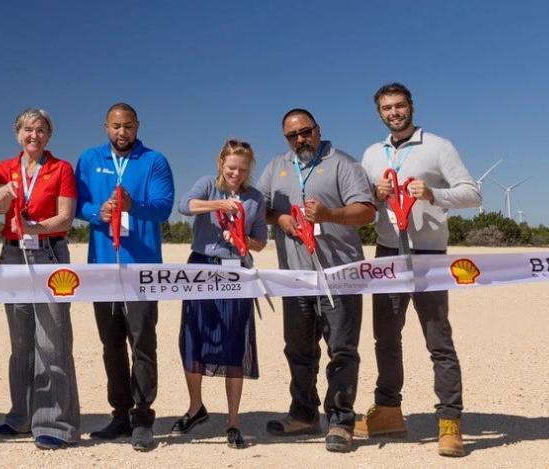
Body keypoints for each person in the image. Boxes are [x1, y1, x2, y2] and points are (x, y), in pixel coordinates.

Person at [355, 83, 480, 458]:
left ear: (411, 107)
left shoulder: (438, 146)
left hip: (429, 254)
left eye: (400, 106)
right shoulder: (372, 153)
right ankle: (389, 410)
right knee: (386, 338)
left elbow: (472, 193)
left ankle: (449, 422)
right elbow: (361, 204)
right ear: (379, 114)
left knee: (438, 340)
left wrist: (433, 195)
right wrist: (374, 197)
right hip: (387, 253)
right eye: (387, 108)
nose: (394, 112)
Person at [256, 108, 375, 454]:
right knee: (298, 349)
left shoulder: (343, 164)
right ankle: (303, 413)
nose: (299, 140)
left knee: (340, 349)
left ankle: (340, 420)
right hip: (295, 278)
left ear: (318, 129)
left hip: (340, 276)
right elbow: (258, 207)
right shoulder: (277, 166)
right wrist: (279, 219)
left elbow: (366, 211)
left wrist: (328, 215)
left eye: (305, 132)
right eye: (292, 136)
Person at [74, 102, 175, 452]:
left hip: (141, 269)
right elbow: (76, 204)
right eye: (116, 126)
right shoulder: (89, 159)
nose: (122, 132)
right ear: (106, 127)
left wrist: (135, 207)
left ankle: (143, 417)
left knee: (143, 344)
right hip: (102, 268)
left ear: (137, 126)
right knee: (111, 344)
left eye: (128, 126)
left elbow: (164, 206)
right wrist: (96, 213)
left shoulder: (154, 161)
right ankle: (120, 414)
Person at [0, 108, 81, 451]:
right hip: (13, 254)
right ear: (18, 134)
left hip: (50, 253)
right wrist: (5, 196)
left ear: (48, 136)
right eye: (28, 129)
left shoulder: (61, 168)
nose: (34, 135)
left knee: (52, 341)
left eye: (41, 130)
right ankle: (22, 415)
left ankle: (57, 423)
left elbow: (66, 217)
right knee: (21, 341)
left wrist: (37, 227)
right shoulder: (4, 168)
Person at [176, 139, 267, 450]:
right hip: (201, 265)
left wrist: (243, 240)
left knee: (234, 342)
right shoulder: (207, 185)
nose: (236, 174)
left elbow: (261, 241)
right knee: (193, 337)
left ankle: (232, 421)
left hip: (236, 270)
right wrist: (218, 205)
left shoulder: (255, 198)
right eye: (231, 168)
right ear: (221, 164)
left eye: (242, 170)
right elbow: (184, 206)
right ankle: (195, 407)